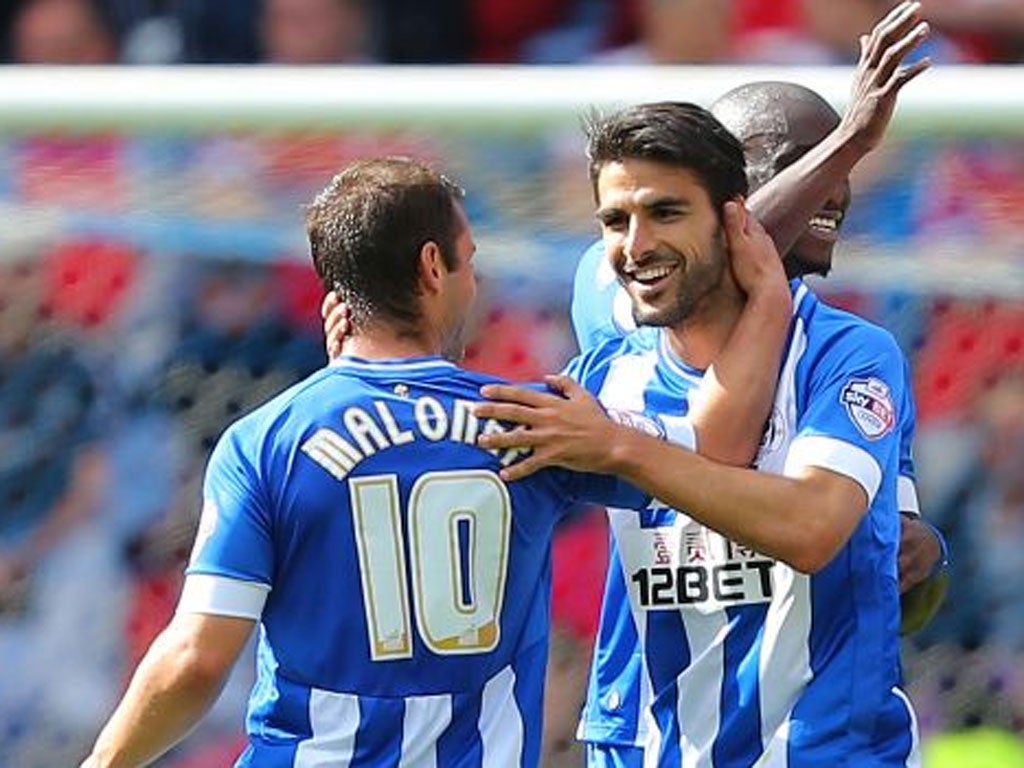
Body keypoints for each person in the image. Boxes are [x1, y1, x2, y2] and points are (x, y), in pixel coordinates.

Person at [79, 155, 791, 768]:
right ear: (431, 267)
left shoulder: (268, 439)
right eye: (469, 261)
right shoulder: (533, 422)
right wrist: (767, 303)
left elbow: (199, 658)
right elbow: (717, 446)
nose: (474, 284)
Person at [467, 6, 937, 764]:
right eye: (803, 166)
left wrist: (919, 552)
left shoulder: (852, 357)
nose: (834, 190)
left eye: (837, 168)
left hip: (819, 749)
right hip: (645, 746)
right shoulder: (613, 330)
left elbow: (826, 530)